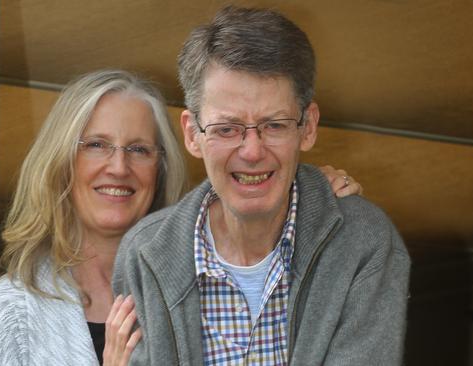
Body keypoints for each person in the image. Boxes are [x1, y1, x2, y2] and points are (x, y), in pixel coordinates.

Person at [0, 70, 363, 365]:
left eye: (138, 150)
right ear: (61, 162)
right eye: (97, 145)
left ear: (161, 169)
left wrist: (311, 203)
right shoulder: (9, 312)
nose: (118, 167)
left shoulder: (213, 282)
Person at [112, 6, 410, 366]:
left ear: (308, 126)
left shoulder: (362, 242)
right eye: (227, 128)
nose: (252, 152)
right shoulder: (146, 254)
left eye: (274, 125)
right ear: (192, 134)